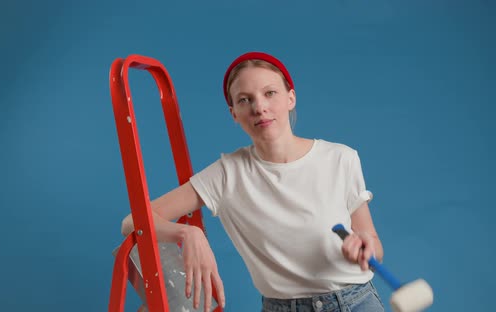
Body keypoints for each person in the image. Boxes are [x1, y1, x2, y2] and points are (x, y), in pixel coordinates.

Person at [121, 51, 385, 312]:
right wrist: (187, 233)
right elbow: (132, 222)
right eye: (245, 100)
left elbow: (373, 246)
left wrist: (366, 248)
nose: (259, 107)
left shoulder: (341, 158)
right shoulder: (227, 174)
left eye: (270, 93)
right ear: (234, 113)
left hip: (355, 303)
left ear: (290, 98)